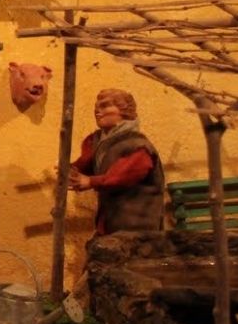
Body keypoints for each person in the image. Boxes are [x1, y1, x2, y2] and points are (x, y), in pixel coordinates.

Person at [68, 88, 166, 234]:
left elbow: (122, 176)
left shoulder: (137, 145)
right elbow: (86, 164)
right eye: (96, 107)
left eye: (105, 106)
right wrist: (71, 171)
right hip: (110, 224)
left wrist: (90, 181)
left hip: (136, 227)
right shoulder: (101, 143)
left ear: (123, 111)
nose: (97, 111)